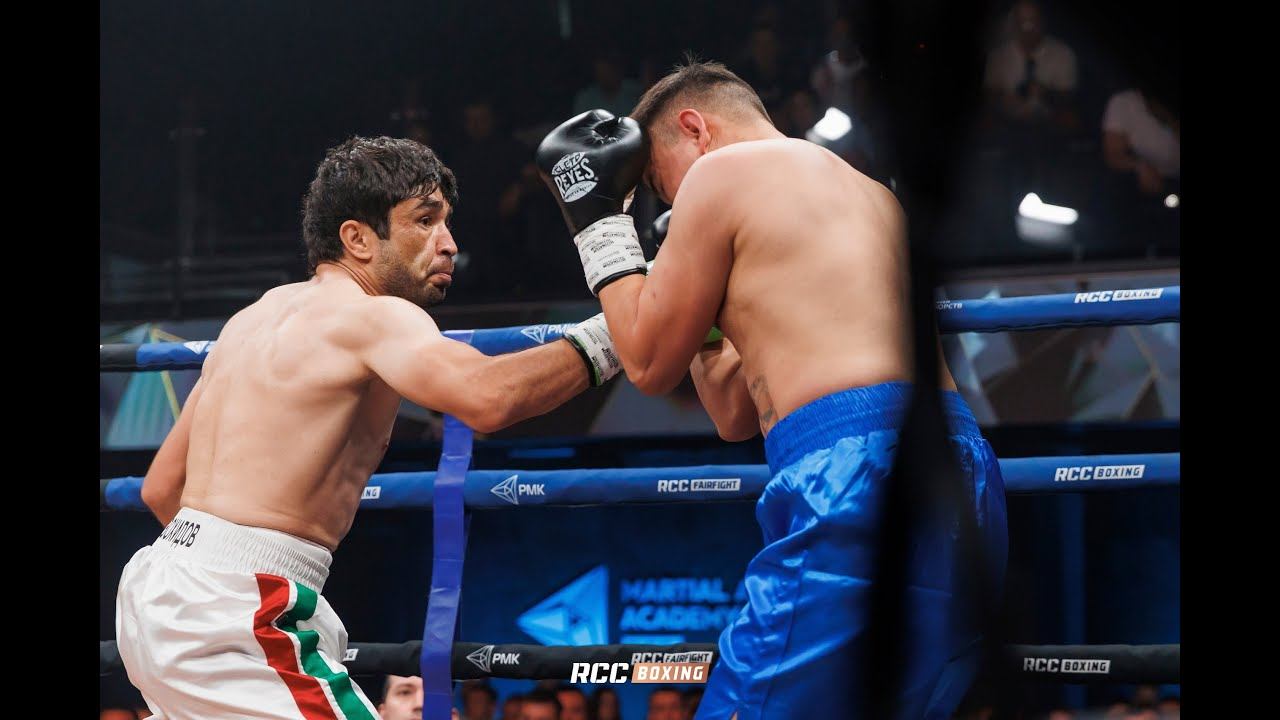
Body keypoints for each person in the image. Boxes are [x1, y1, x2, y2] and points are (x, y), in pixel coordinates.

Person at [535, 60, 1007, 719]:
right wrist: (694, 300)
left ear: (695, 128)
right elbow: (733, 415)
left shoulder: (720, 176)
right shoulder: (875, 195)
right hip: (962, 472)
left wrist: (600, 228)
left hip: (855, 473)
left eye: (658, 183)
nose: (667, 205)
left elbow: (645, 365)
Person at [116, 136, 624, 719]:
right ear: (357, 238)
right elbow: (488, 398)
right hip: (236, 607)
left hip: (161, 583)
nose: (449, 244)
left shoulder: (253, 317)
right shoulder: (374, 317)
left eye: (446, 223)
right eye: (425, 221)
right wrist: (614, 333)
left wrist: (224, 564)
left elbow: (161, 488)